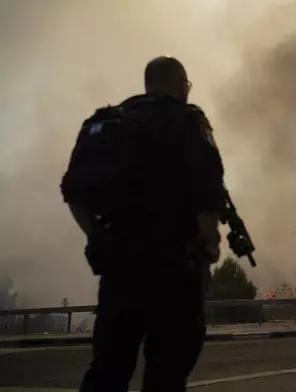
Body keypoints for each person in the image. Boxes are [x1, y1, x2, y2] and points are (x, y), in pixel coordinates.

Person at [61, 56, 226, 392]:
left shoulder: (107, 123)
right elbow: (207, 198)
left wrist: (100, 237)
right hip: (174, 274)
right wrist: (210, 247)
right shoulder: (188, 123)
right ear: (181, 85)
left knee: (107, 368)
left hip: (119, 271)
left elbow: (73, 194)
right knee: (166, 372)